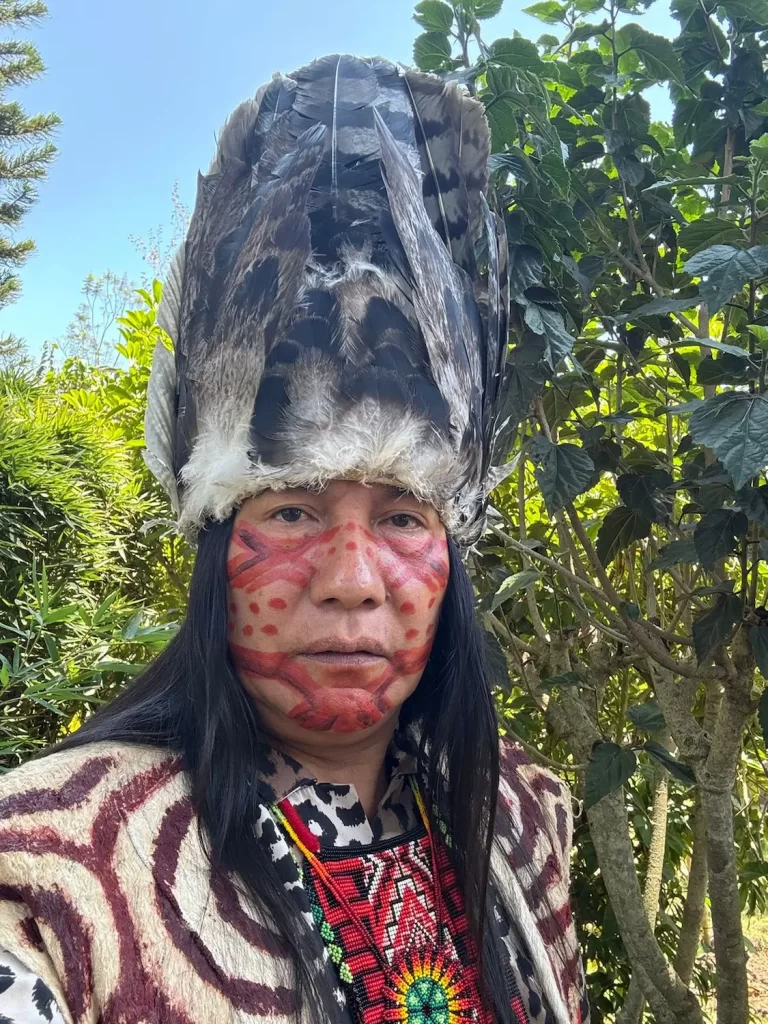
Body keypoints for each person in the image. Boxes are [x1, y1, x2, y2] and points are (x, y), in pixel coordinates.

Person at [0, 54, 589, 1024]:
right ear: (215, 549)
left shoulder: (523, 817)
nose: (355, 578)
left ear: (452, 557)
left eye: (402, 515)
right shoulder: (47, 863)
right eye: (292, 510)